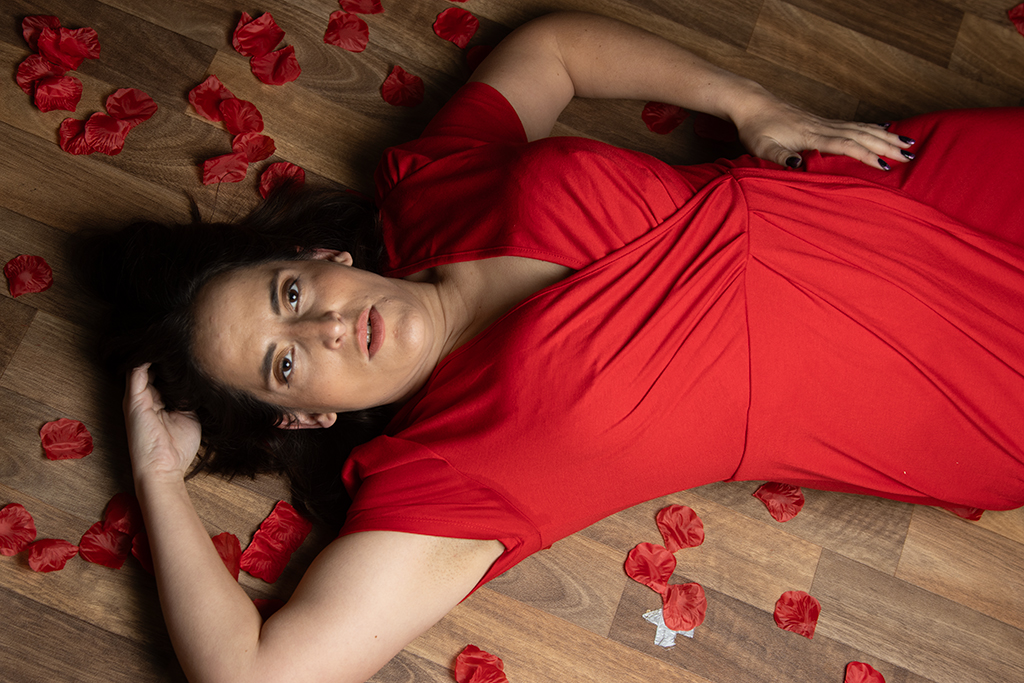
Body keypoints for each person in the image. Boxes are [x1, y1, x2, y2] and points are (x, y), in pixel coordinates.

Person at [93, 11, 1023, 683]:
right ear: (306, 412)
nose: (325, 326)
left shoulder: (430, 191)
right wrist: (158, 479)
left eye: (290, 296)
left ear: (318, 257)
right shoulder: (443, 478)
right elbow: (255, 677)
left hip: (905, 190)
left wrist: (753, 105)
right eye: (285, 361)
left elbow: (553, 49)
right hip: (950, 388)